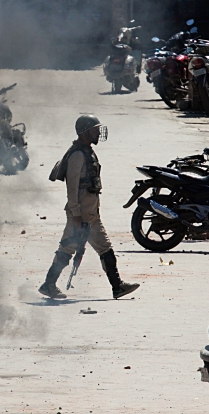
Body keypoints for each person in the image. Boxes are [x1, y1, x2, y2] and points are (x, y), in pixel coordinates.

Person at [39, 115, 140, 300]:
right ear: (85, 132)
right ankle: (49, 284)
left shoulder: (87, 151)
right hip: (81, 215)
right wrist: (76, 215)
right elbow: (72, 188)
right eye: (94, 129)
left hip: (91, 214)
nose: (98, 132)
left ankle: (117, 286)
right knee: (67, 248)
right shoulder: (77, 155)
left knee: (105, 248)